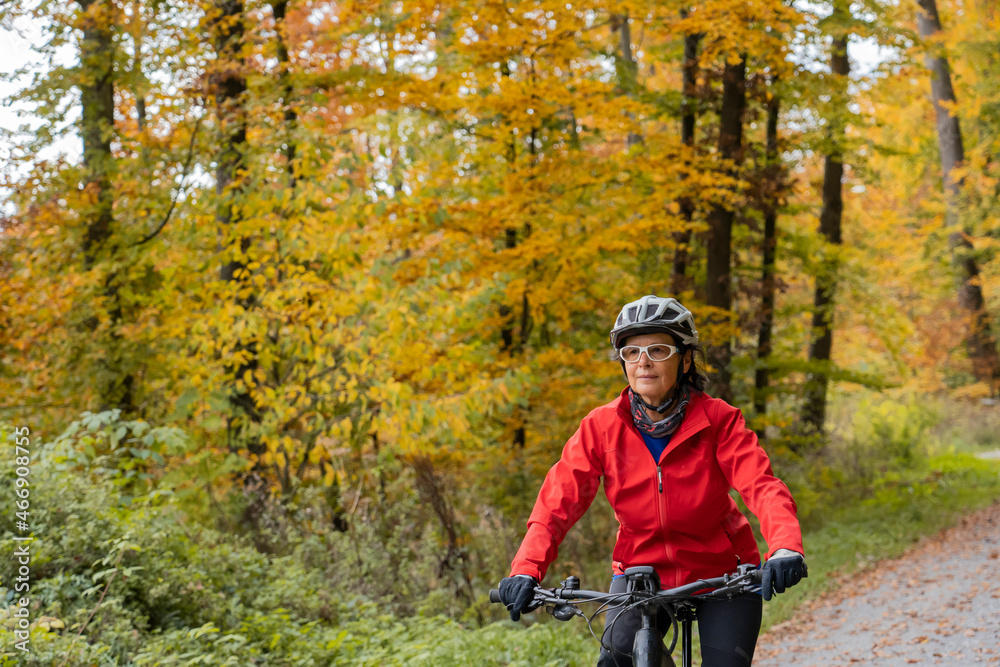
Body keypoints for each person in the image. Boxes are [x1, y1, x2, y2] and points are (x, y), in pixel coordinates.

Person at [497, 295, 807, 666]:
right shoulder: (600, 427)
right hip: (640, 574)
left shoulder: (719, 420)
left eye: (658, 350)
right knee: (615, 662)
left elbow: (762, 486)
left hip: (724, 574)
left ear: (685, 358)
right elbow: (556, 505)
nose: (643, 362)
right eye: (631, 352)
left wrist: (786, 547)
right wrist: (525, 570)